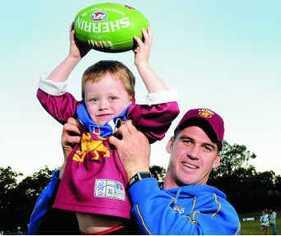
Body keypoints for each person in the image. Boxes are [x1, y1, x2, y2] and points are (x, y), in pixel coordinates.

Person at [35, 25, 179, 234]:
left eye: (113, 98)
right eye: (93, 99)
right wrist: (73, 57)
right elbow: (47, 94)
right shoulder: (81, 117)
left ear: (131, 99)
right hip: (72, 225)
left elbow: (168, 107)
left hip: (119, 228)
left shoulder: (131, 124)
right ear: (84, 101)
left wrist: (143, 64)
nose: (103, 105)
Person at [28, 108, 240, 234]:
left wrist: (138, 171)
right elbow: (38, 230)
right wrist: (69, 170)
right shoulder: (132, 192)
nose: (194, 153)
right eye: (187, 141)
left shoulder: (219, 210)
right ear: (170, 144)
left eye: (207, 147)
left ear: (216, 161)